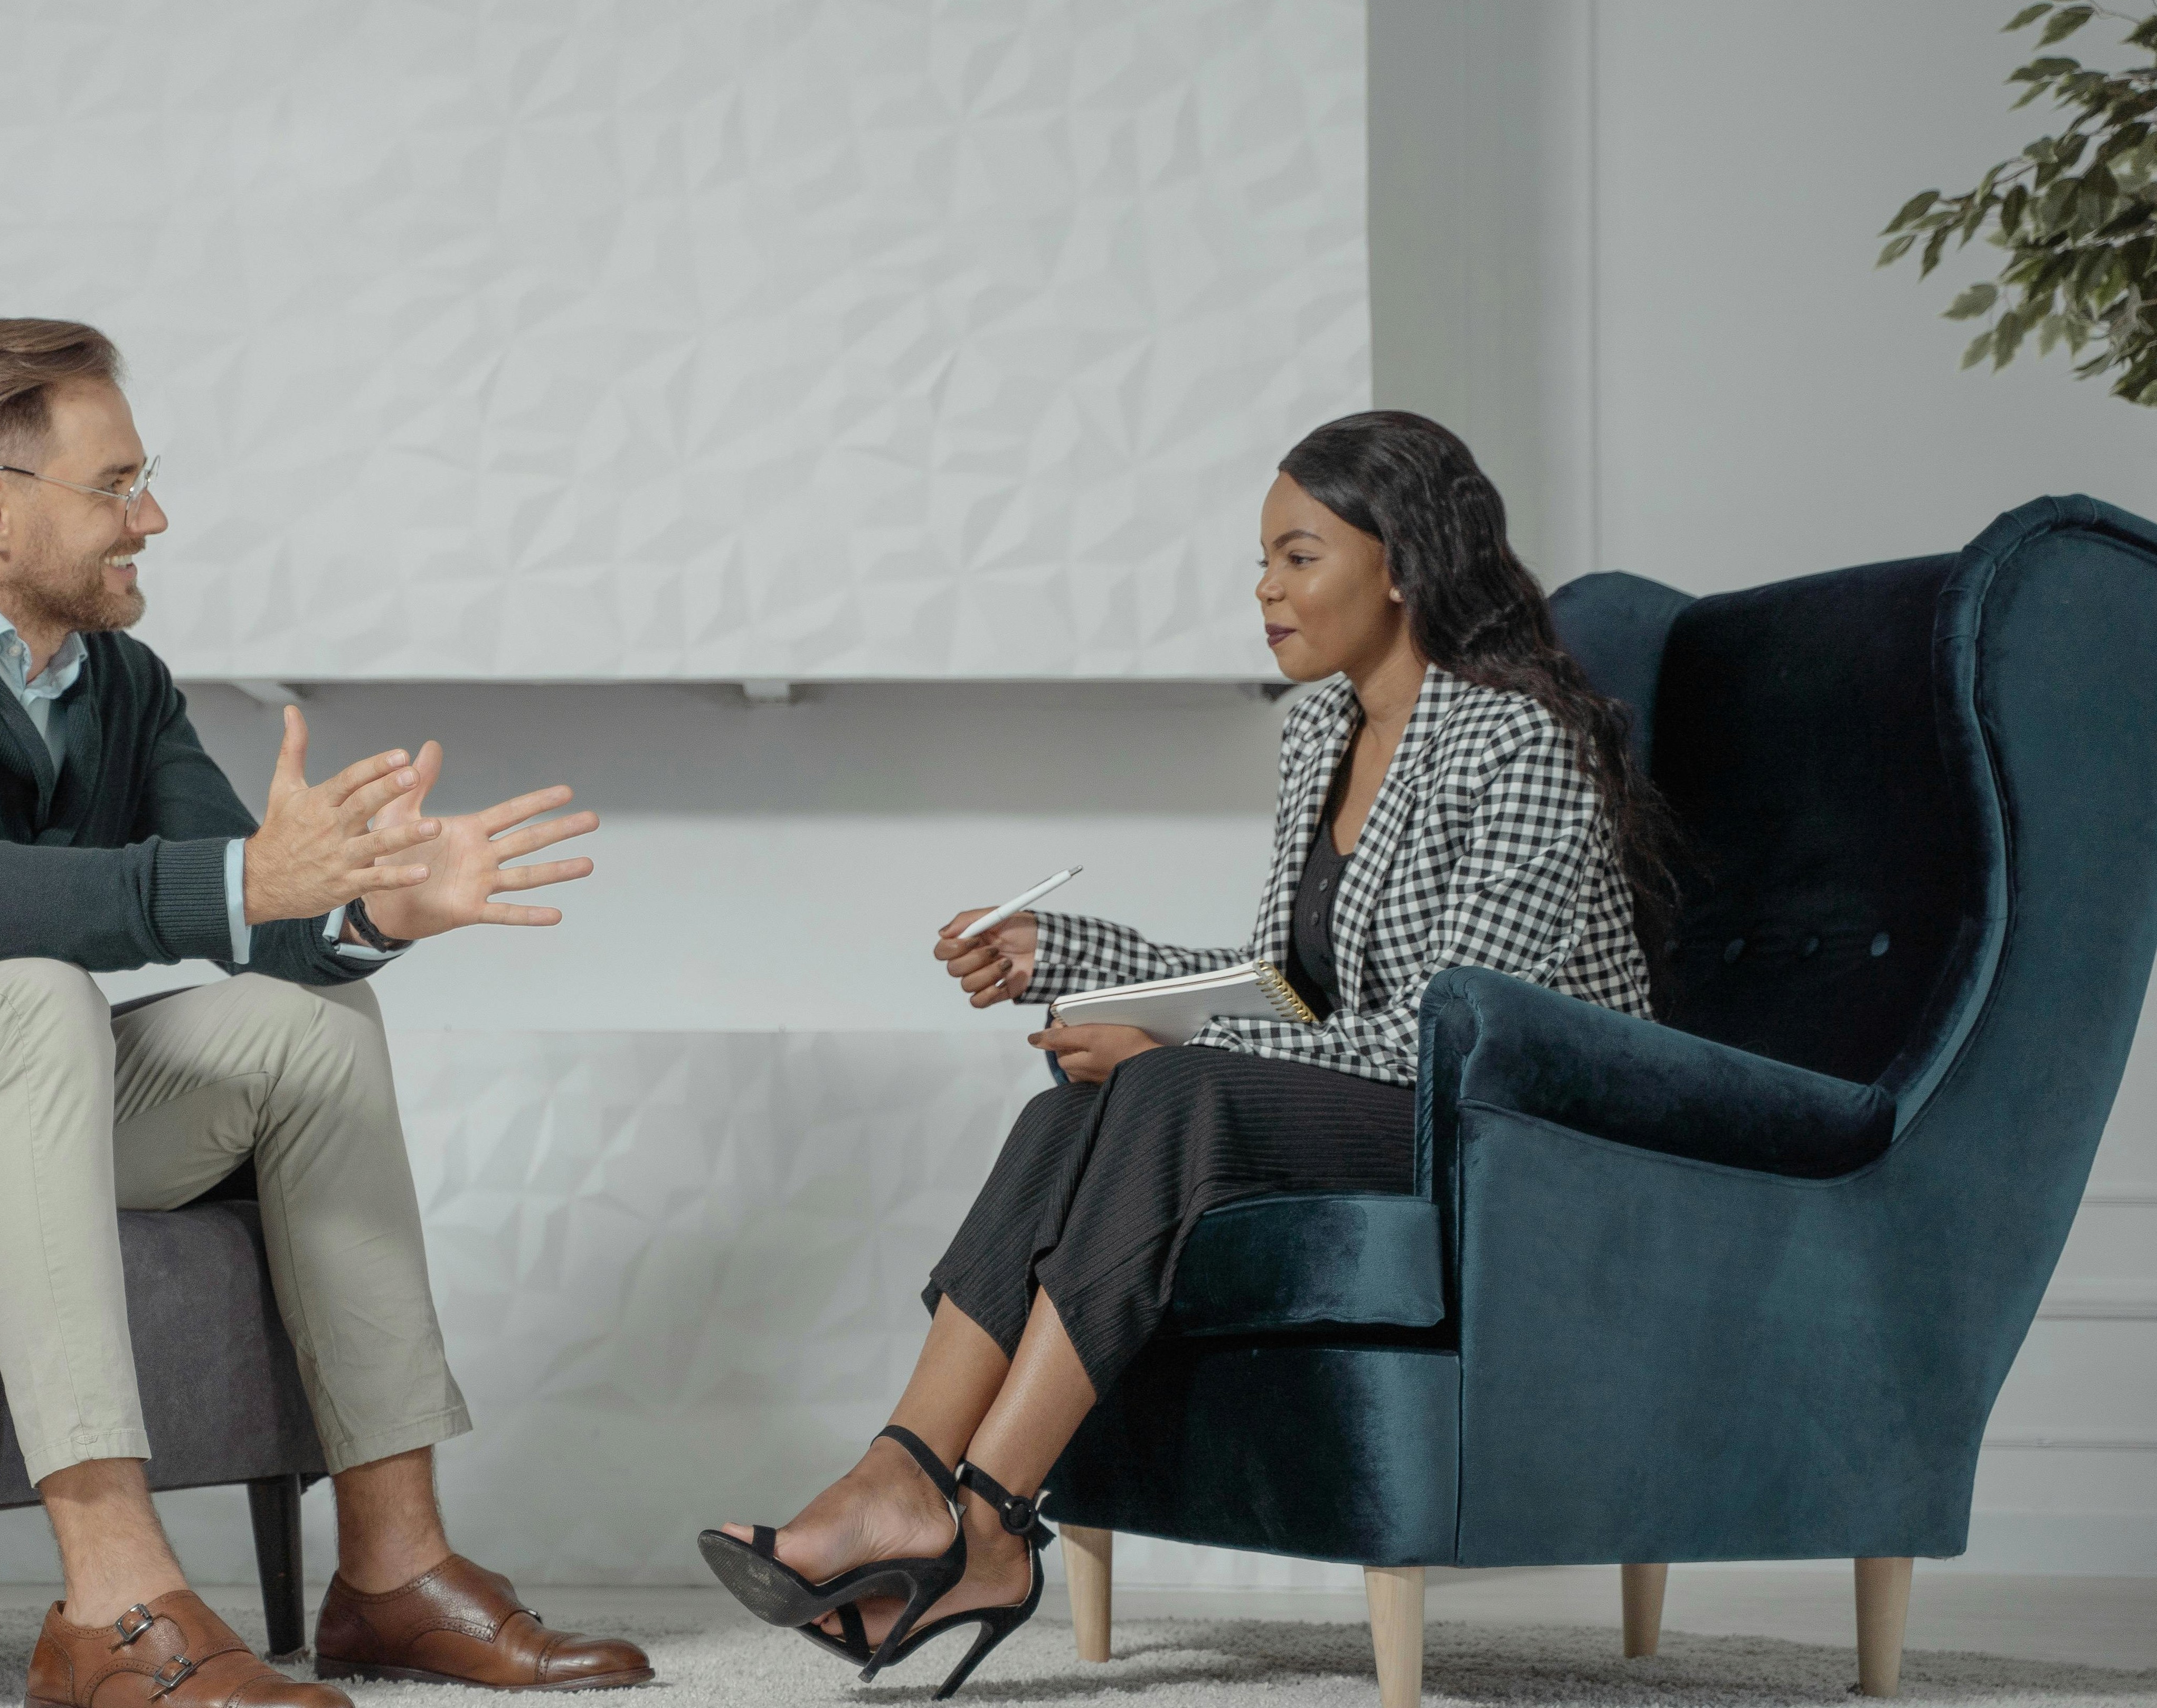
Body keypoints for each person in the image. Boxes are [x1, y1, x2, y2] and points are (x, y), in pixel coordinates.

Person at [0, 319, 652, 1707]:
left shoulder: (116, 683)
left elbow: (256, 917)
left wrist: (370, 910)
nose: (150, 516)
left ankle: (394, 1576)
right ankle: (110, 1604)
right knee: (33, 994)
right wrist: (239, 879)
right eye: (116, 486)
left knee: (308, 1036)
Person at [698, 411, 1670, 1697]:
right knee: (1072, 1113)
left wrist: (1165, 1037)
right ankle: (900, 1478)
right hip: (1388, 1094)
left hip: (1512, 1126)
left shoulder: (1518, 739)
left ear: (1402, 562)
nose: (1264, 589)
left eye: (1298, 555)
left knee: (1163, 1085)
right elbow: (1286, 991)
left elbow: (1460, 1031)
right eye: (1260, 560)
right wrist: (1064, 951)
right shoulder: (1320, 735)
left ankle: (987, 1522)